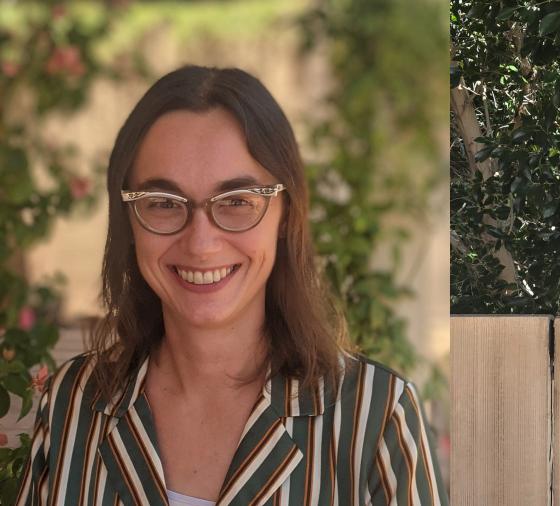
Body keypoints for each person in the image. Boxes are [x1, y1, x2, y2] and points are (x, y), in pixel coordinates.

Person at [16, 66, 447, 506]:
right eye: (164, 203)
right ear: (128, 221)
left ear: (286, 214)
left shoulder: (376, 418)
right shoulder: (74, 401)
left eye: (237, 202)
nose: (201, 244)